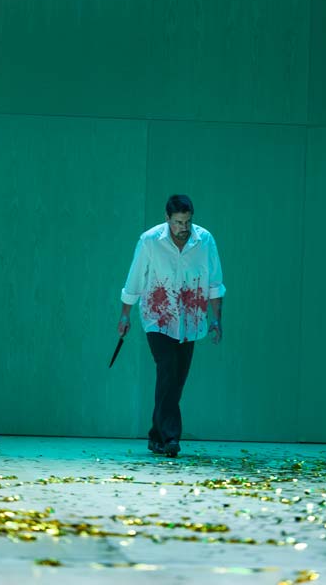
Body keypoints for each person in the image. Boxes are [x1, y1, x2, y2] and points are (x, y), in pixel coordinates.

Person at [117, 194, 226, 457]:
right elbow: (135, 278)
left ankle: (156, 434)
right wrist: (125, 315)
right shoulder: (150, 241)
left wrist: (216, 319)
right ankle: (171, 437)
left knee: (177, 379)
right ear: (167, 218)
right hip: (158, 317)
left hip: (190, 318)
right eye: (178, 222)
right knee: (167, 368)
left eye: (187, 222)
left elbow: (215, 282)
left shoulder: (205, 240)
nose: (183, 228)